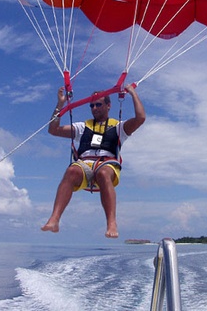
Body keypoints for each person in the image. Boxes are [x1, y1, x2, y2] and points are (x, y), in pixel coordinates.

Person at [41, 84, 145, 238]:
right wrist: (60, 104)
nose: (94, 108)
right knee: (71, 171)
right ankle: (54, 219)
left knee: (103, 173)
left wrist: (132, 93)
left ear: (108, 106)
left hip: (107, 163)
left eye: (98, 104)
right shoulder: (83, 127)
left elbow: (140, 118)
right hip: (84, 164)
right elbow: (53, 130)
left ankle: (111, 223)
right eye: (92, 105)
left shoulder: (118, 127)